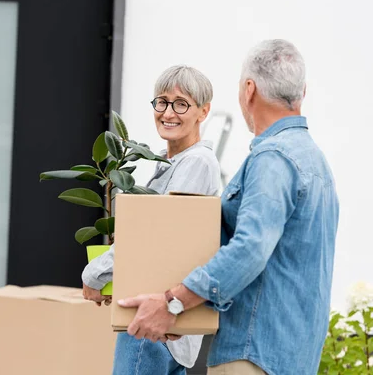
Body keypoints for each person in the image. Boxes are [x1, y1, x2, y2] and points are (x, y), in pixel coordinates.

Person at [118, 39, 340, 375]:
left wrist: (172, 302)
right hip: (292, 353)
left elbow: (250, 248)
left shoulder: (273, 159)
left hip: (253, 353)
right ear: (302, 91)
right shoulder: (314, 160)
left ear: (249, 89)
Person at [82, 65, 221, 375]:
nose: (168, 112)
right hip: (161, 326)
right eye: (162, 101)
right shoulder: (170, 162)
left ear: (203, 111)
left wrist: (96, 273)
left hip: (154, 324)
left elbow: (155, 238)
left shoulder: (196, 163)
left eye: (181, 103)